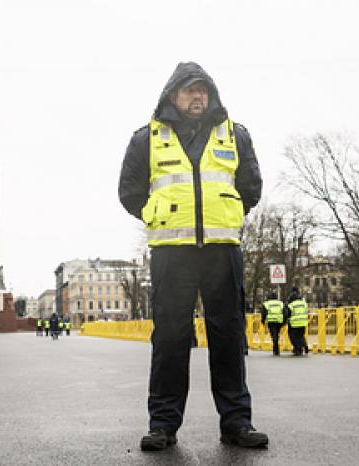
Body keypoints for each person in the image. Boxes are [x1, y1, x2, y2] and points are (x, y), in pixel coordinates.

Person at [119, 62, 267, 450]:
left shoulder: (235, 135)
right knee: (170, 338)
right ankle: (163, 425)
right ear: (172, 96)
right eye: (189, 90)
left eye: (203, 90)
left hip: (222, 249)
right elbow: (129, 192)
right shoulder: (145, 139)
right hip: (172, 252)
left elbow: (250, 186)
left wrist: (230, 212)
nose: (197, 96)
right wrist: (157, 215)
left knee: (229, 336)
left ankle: (237, 423)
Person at [286, 288, 309, 356]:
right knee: (300, 336)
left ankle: (298, 349)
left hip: (294, 323)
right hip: (303, 322)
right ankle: (304, 346)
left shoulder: (291, 305)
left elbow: (288, 314)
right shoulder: (304, 304)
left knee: (293, 337)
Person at [261, 292, 285, 356]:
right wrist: (284, 321)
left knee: (273, 335)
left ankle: (275, 349)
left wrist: (263, 321)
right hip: (279, 321)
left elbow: (264, 313)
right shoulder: (280, 303)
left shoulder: (266, 304)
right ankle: (276, 348)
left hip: (271, 321)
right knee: (276, 334)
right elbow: (284, 312)